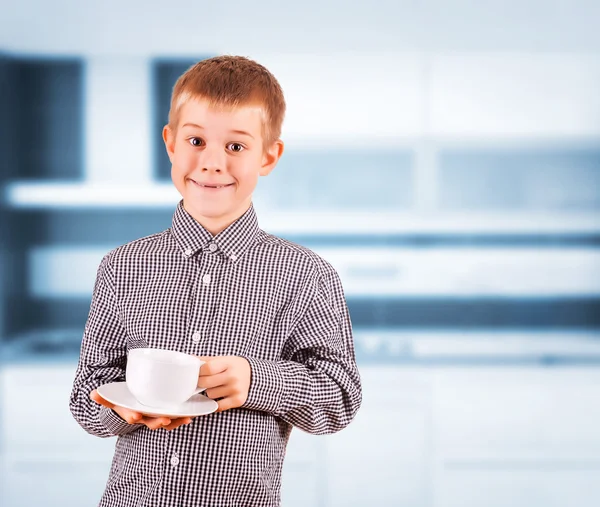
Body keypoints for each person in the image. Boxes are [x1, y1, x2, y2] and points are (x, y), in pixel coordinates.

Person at [69, 55, 362, 507]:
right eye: (196, 140)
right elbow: (86, 393)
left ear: (269, 155)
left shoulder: (308, 275)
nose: (211, 163)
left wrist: (256, 380)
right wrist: (120, 410)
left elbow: (340, 399)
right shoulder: (121, 267)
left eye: (236, 147)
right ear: (170, 143)